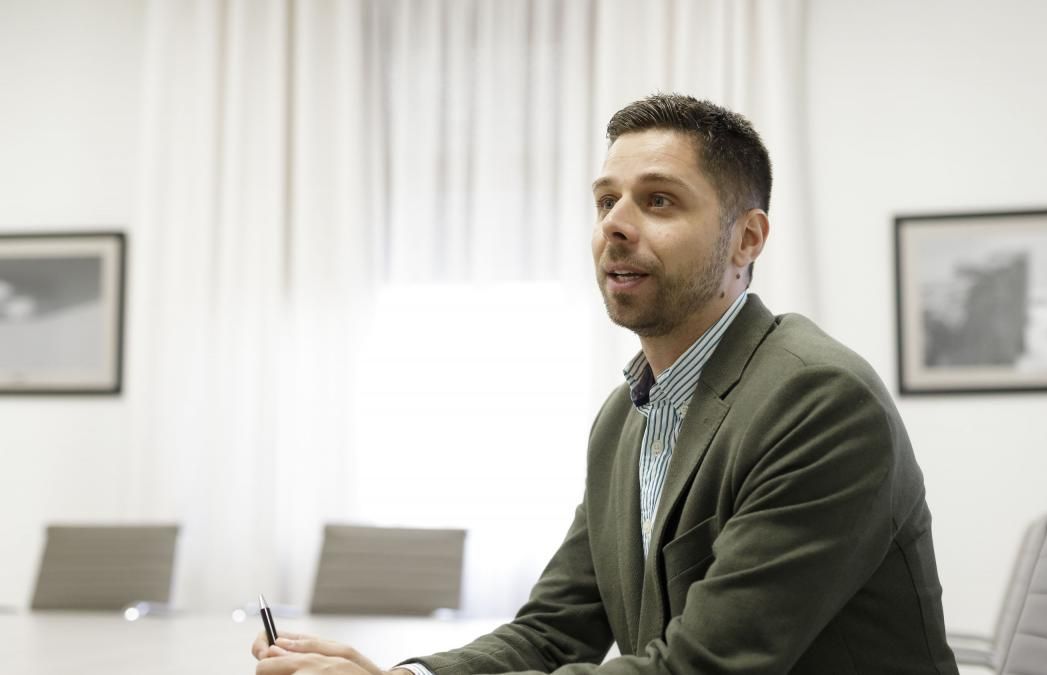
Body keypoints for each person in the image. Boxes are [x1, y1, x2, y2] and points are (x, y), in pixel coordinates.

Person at [252, 93, 959, 675]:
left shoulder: (820, 401)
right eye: (605, 201)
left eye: (658, 201)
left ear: (747, 239)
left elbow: (701, 666)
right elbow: (554, 630)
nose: (614, 226)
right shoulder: (629, 412)